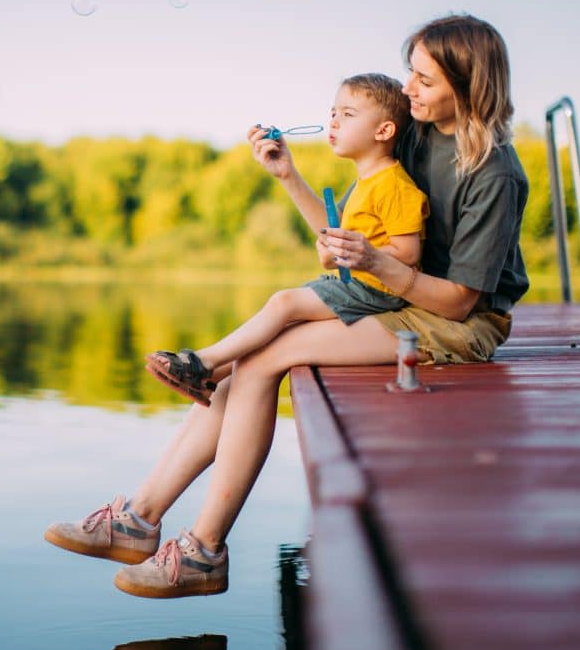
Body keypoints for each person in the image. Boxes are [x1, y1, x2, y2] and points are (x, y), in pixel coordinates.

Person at [43, 14, 529, 600]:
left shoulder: (493, 172)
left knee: (262, 360)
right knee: (245, 360)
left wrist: (378, 264)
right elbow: (340, 239)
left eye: (424, 79)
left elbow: (458, 301)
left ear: (469, 82)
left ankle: (202, 550)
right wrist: (289, 176)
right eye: (410, 74)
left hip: (456, 323)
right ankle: (140, 520)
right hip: (392, 293)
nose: (407, 90)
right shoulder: (416, 135)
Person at [144, 73, 428, 407]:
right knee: (285, 316)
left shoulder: (394, 186)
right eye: (333, 112)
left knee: (285, 304)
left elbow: (408, 253)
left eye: (348, 115)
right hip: (363, 288)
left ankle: (201, 362)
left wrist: (353, 254)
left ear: (384, 131)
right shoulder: (366, 183)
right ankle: (208, 378)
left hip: (379, 294)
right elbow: (350, 246)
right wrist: (336, 252)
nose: (334, 122)